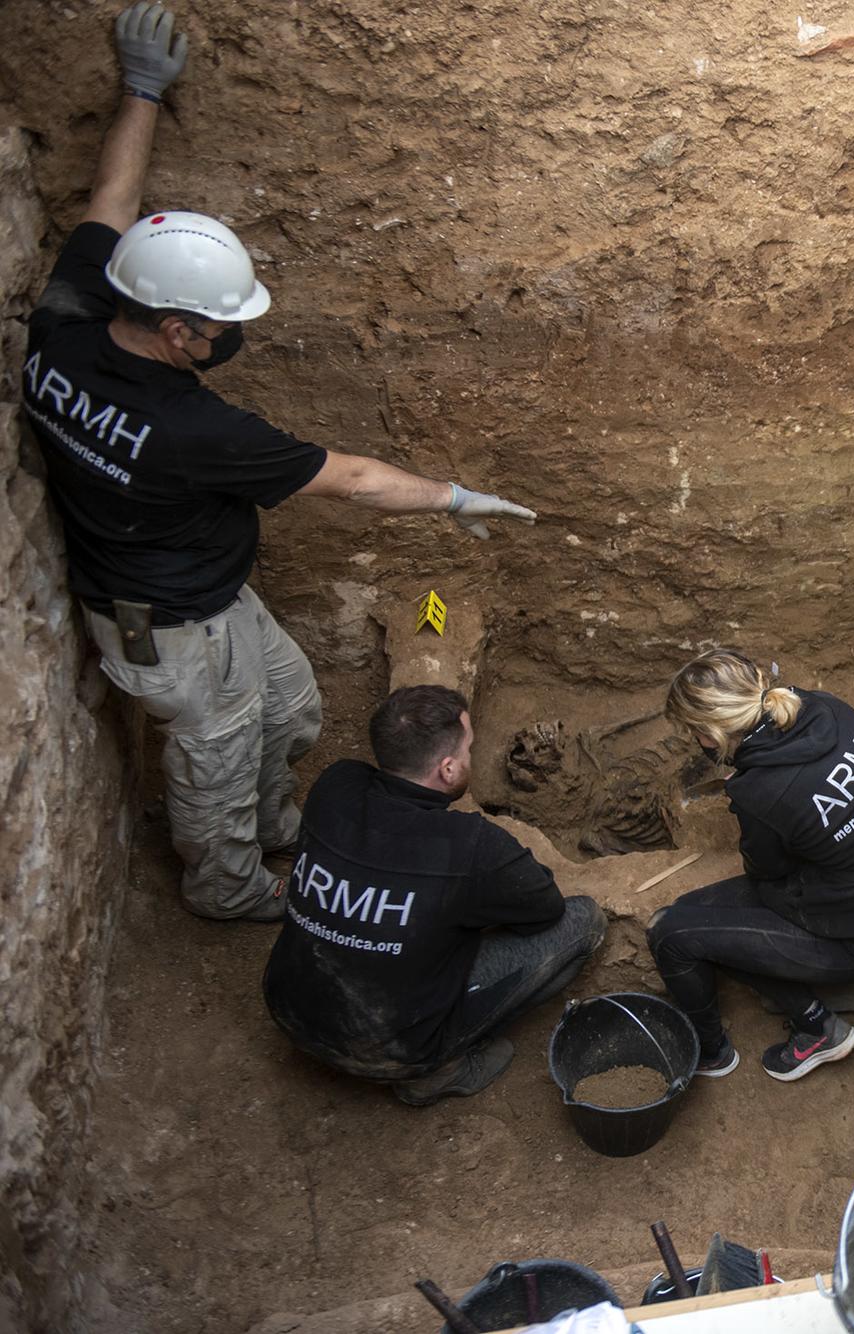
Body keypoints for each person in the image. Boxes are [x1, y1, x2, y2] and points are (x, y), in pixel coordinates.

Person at [27, 4, 537, 922]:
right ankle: (229, 888)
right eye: (222, 327)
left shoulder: (65, 324)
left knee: (292, 707)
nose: (232, 338)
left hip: (202, 593)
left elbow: (108, 207)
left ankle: (271, 825)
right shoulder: (193, 428)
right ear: (178, 331)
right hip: (170, 624)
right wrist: (454, 497)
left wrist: (142, 91)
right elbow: (354, 479)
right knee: (213, 754)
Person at [262, 686, 606, 1106]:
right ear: (446, 769)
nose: (471, 757)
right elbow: (546, 909)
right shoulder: (471, 846)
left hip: (290, 1012)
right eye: (468, 749)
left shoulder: (336, 785)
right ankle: (440, 1070)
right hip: (394, 1049)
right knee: (583, 921)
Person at [647, 650, 854, 1082]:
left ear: (713, 733)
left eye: (693, 733)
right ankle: (815, 1023)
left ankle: (716, 1052)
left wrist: (760, 810)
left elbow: (766, 873)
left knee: (671, 933)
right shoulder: (825, 707)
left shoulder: (759, 790)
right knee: (695, 916)